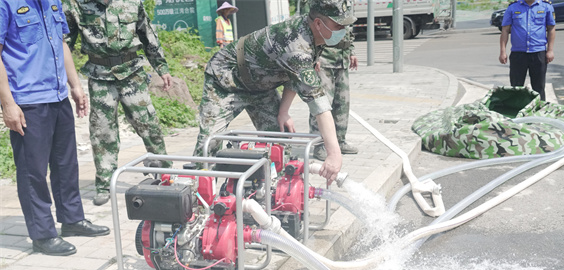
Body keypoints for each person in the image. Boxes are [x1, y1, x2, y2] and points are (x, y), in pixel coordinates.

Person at [194, 0, 356, 184]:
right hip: (226, 80)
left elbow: (294, 75)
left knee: (279, 142)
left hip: (261, 88)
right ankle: (199, 198)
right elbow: (318, 104)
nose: (343, 30)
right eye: (338, 25)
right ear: (319, 23)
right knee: (209, 143)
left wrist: (283, 111)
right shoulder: (297, 43)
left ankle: (276, 195)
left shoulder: (315, 34)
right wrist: (334, 154)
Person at [0, 0, 110, 256]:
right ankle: (43, 234)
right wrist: (7, 103)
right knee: (33, 171)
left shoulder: (52, 2)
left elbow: (61, 44)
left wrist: (75, 85)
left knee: (66, 163)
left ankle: (72, 219)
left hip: (58, 95)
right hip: (27, 100)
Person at [63, 0, 173, 206]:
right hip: (99, 76)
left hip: (132, 72)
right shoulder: (76, 5)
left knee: (148, 124)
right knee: (102, 131)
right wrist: (65, 79)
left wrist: (162, 67)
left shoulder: (132, 2)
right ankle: (104, 184)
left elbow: (147, 34)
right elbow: (64, 43)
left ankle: (165, 173)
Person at [301, 0, 358, 161]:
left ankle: (340, 140)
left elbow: (347, 29)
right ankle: (319, 145)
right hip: (324, 59)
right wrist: (313, 56)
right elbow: (309, 28)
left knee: (342, 103)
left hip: (342, 59)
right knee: (322, 103)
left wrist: (351, 51)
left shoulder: (344, 3)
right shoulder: (317, 3)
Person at [499, 0, 556, 101]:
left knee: (539, 87)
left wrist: (550, 50)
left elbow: (551, 28)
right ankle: (516, 111)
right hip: (518, 54)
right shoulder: (513, 7)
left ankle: (539, 111)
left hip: (538, 53)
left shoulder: (546, 7)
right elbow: (505, 30)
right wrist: (503, 51)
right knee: (516, 87)